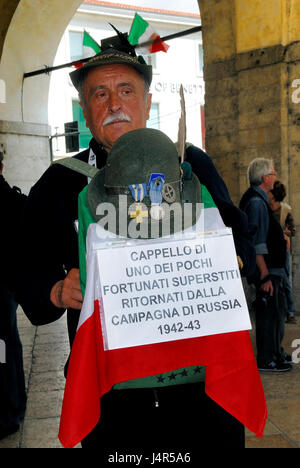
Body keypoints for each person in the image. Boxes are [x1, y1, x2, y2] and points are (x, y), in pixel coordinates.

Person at [18, 31, 257, 449]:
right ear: (86, 113)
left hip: (199, 390)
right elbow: (21, 258)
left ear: (146, 103)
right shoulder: (62, 181)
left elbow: (236, 231)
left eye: (126, 90)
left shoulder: (189, 163)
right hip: (113, 397)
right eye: (99, 94)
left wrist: (227, 254)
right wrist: (55, 289)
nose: (114, 104)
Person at [239, 158, 292, 373]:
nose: (275, 176)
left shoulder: (259, 200)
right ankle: (267, 358)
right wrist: (264, 276)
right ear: (265, 178)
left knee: (276, 314)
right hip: (268, 270)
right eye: (273, 172)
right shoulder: (256, 203)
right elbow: (256, 243)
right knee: (269, 316)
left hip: (272, 268)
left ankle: (275, 353)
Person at [0, 151, 27, 440]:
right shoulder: (13, 198)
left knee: (2, 351)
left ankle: (8, 413)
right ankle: (16, 401)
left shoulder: (8, 199)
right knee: (9, 345)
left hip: (2, 290)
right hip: (9, 289)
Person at [269, 181, 297, 324]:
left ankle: (290, 312)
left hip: (282, 250)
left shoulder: (285, 209)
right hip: (268, 250)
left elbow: (293, 231)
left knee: (286, 282)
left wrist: (280, 232)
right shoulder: (265, 207)